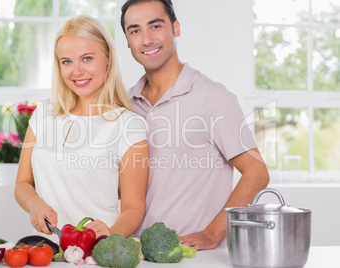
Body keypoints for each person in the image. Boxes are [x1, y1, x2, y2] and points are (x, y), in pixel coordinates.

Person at [120, 0, 270, 250]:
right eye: (135, 30)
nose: (146, 39)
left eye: (155, 26)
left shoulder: (212, 97)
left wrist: (212, 233)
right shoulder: (125, 103)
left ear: (176, 28)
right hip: (137, 253)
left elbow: (257, 173)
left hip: (192, 256)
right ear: (127, 41)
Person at [14, 15, 149, 241]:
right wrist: (35, 204)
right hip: (45, 253)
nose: (76, 71)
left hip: (96, 253)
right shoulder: (43, 115)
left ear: (108, 58)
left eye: (87, 58)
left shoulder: (129, 126)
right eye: (66, 61)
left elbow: (134, 209)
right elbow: (22, 183)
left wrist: (110, 235)